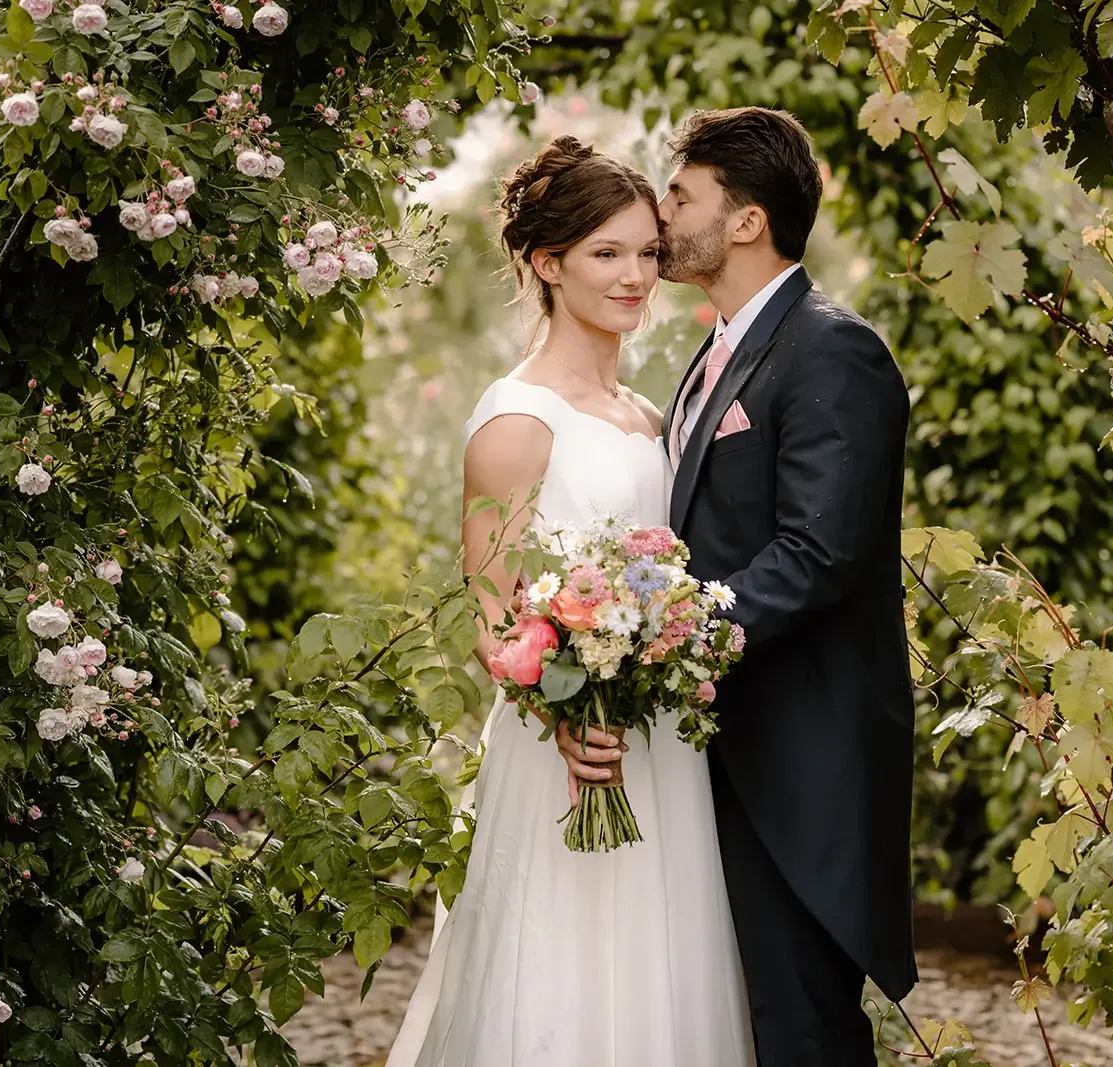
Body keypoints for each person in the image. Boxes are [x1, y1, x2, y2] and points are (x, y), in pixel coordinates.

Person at [557, 107, 917, 1066]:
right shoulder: (712, 357)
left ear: (747, 220)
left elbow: (818, 553)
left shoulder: (833, 349)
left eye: (680, 196)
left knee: (803, 1026)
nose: (661, 218)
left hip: (801, 754)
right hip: (721, 745)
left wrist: (668, 640)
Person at [388, 136, 755, 1067]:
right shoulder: (516, 419)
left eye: (645, 251)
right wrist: (564, 714)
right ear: (547, 264)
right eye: (606, 253)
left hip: (660, 747)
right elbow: (492, 615)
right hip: (567, 747)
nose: (637, 275)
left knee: (663, 977)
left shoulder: (646, 411)